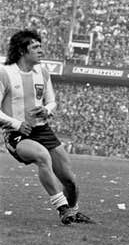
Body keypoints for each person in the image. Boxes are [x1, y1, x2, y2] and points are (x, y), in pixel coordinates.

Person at [0, 30, 93, 224]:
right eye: (35, 47)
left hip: (43, 130)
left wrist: (46, 110)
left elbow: (51, 102)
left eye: (40, 46)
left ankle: (73, 212)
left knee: (70, 180)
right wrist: (17, 123)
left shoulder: (42, 71)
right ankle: (62, 208)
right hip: (17, 134)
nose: (41, 51)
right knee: (42, 156)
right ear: (22, 50)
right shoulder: (5, 73)